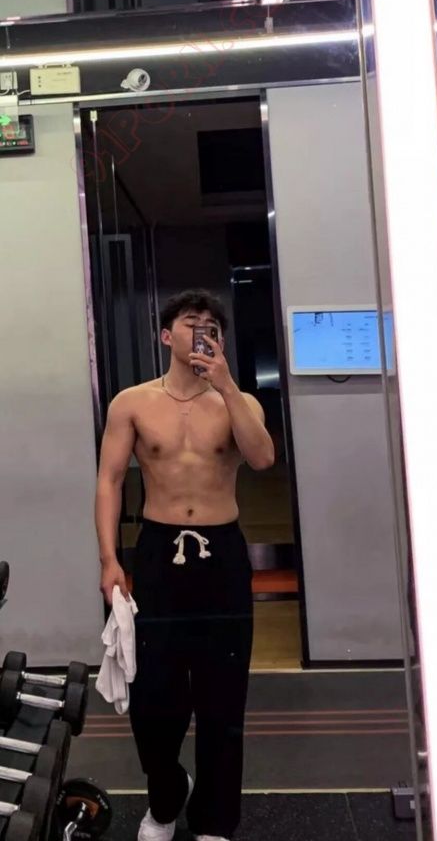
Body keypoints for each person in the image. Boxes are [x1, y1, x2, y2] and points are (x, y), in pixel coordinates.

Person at [95, 289, 275, 841]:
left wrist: (226, 385)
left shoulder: (239, 403)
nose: (202, 331)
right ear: (165, 335)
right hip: (158, 554)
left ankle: (216, 820)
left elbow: (262, 458)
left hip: (222, 557)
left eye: (211, 326)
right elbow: (109, 481)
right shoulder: (132, 402)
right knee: (153, 697)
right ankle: (167, 795)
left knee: (223, 695)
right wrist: (109, 559)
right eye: (191, 322)